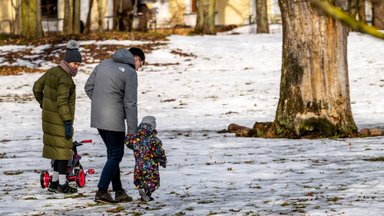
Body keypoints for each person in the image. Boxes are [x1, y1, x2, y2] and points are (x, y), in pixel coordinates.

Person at [84, 47, 145, 203]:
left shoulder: (103, 64)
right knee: (116, 155)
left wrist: (101, 104)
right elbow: (130, 103)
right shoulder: (130, 73)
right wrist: (132, 131)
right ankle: (102, 191)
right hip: (114, 120)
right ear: (136, 59)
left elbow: (88, 87)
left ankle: (119, 191)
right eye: (141, 64)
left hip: (98, 118)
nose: (139, 68)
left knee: (113, 155)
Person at [32, 40, 82, 194]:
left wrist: (45, 105)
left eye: (78, 64)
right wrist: (67, 121)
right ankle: (62, 184)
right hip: (60, 120)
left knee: (56, 151)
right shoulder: (66, 79)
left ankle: (53, 183)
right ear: (67, 62)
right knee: (63, 153)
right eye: (75, 63)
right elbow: (61, 102)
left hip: (49, 120)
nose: (77, 67)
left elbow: (36, 88)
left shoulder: (52, 71)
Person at [126, 116, 167, 202]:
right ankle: (148, 194)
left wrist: (129, 136)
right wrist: (163, 160)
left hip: (138, 166)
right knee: (152, 182)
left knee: (140, 180)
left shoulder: (135, 139)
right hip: (151, 167)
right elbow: (159, 152)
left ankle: (141, 191)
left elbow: (128, 143)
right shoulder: (155, 140)